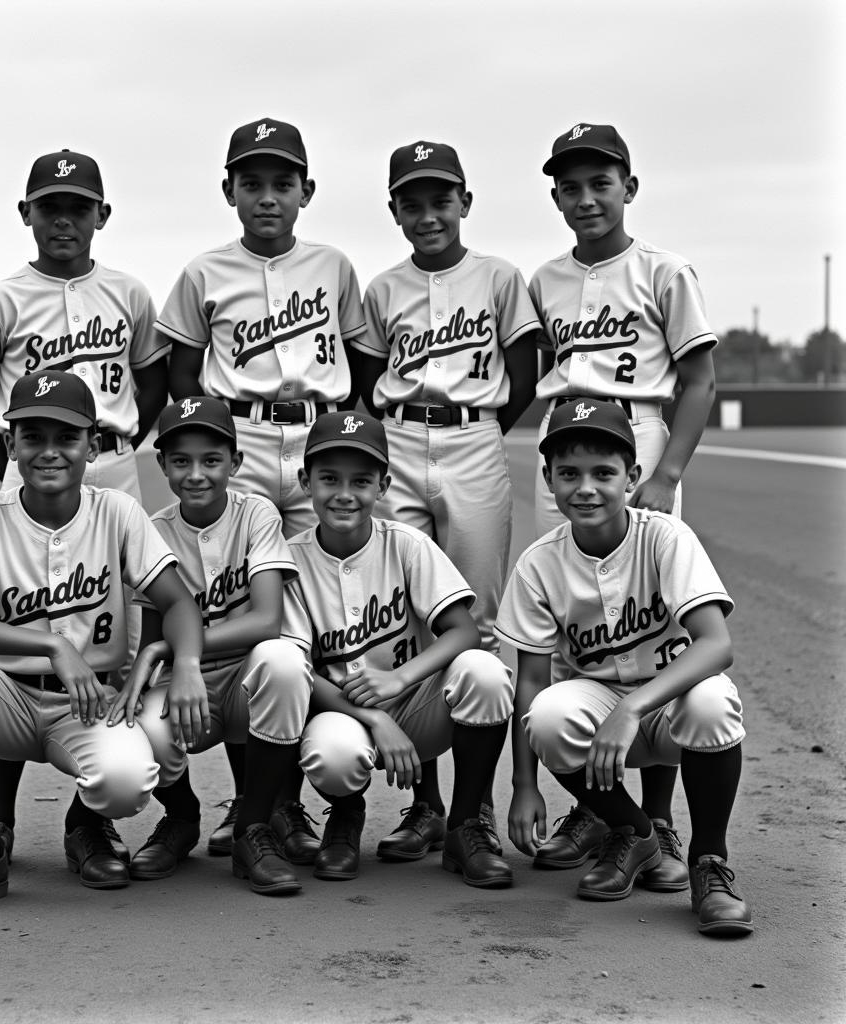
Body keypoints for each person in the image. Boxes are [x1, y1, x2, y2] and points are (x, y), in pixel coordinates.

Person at [0, 370, 205, 915]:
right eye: (33, 437)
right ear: (10, 445)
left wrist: (182, 661)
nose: (49, 452)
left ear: (93, 446)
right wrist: (53, 647)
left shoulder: (116, 511)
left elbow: (179, 601)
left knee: (127, 781)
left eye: (66, 438)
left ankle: (86, 824)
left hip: (86, 707)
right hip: (3, 699)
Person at [0, 148, 170, 862]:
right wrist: (14, 468)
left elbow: (152, 382)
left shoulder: (130, 293)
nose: (63, 219)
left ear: (101, 215)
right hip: (31, 472)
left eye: (78, 207)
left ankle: (88, 815)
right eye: (50, 206)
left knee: (112, 640)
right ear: (26, 215)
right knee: (21, 632)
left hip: (111, 470)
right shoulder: (2, 297)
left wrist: (113, 446)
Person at [154, 117, 366, 855]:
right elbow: (182, 373)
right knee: (248, 604)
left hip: (313, 434)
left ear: (306, 190)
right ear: (229, 191)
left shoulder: (334, 266)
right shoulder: (203, 272)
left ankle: (294, 798)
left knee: (315, 611)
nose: (268, 196)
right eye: (252, 183)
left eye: (282, 183)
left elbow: (362, 367)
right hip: (236, 440)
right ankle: (260, 804)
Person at [527, 124, 719, 883]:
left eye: (600, 183)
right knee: (579, 624)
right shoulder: (544, 279)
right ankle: (604, 812)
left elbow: (700, 379)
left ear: (629, 188)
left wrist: (668, 473)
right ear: (555, 198)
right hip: (568, 443)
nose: (585, 199)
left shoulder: (665, 270)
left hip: (636, 443)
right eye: (570, 187)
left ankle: (662, 821)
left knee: (653, 624)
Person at [499, 398, 752, 936]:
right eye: (568, 473)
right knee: (548, 714)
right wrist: (525, 784)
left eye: (603, 473)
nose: (585, 488)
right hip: (600, 720)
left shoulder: (665, 537)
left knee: (712, 699)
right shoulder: (538, 564)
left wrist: (634, 706)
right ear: (548, 479)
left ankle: (709, 862)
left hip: (667, 713)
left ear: (632, 476)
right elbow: (529, 682)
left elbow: (716, 645)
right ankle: (634, 831)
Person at [354, 140, 539, 857]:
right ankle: (426, 804)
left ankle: (474, 810)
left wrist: (482, 432)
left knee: (474, 621)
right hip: (397, 440)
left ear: (465, 201)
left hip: (474, 441)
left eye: (440, 199)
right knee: (406, 616)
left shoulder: (498, 277)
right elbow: (368, 379)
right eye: (413, 202)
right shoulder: (383, 287)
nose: (427, 214)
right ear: (395, 210)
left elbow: (522, 374)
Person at [282, 412, 515, 888]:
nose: (345, 494)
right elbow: (297, 675)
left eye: (361, 481)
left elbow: (464, 632)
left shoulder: (407, 544)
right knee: (333, 753)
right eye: (329, 479)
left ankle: (465, 826)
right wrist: (376, 717)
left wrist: (400, 681)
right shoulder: (290, 559)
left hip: (417, 706)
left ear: (383, 486)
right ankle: (345, 818)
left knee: (484, 673)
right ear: (305, 482)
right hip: (341, 715)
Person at [106, 397, 312, 896]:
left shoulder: (256, 512)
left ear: (236, 463)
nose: (196, 474)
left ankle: (254, 825)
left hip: (247, 676)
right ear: (162, 466)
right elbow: (156, 631)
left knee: (284, 662)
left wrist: (179, 654)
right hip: (188, 682)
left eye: (211, 460)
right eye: (181, 461)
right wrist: (172, 660)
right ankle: (181, 817)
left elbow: (266, 620)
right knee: (142, 726)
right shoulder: (154, 529)